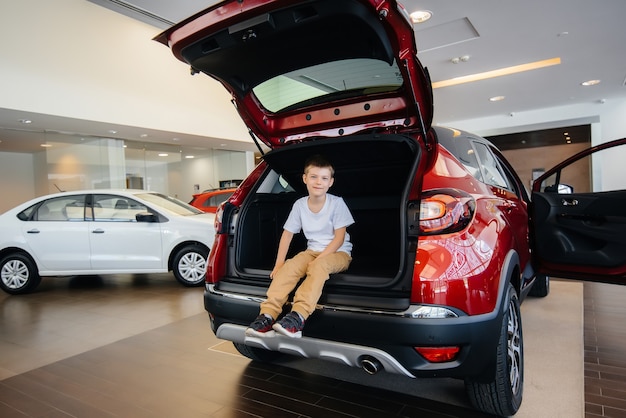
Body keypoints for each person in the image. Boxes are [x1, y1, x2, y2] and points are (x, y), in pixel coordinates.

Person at [245, 155, 354, 338]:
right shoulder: (300, 205)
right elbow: (287, 234)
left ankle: (298, 318)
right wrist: (279, 263)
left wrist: (319, 259)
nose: (318, 182)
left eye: (324, 178)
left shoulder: (336, 203)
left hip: (339, 252)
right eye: (313, 177)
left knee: (319, 267)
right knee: (289, 268)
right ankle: (267, 315)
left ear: (331, 182)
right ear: (305, 179)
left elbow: (339, 238)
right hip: (312, 251)